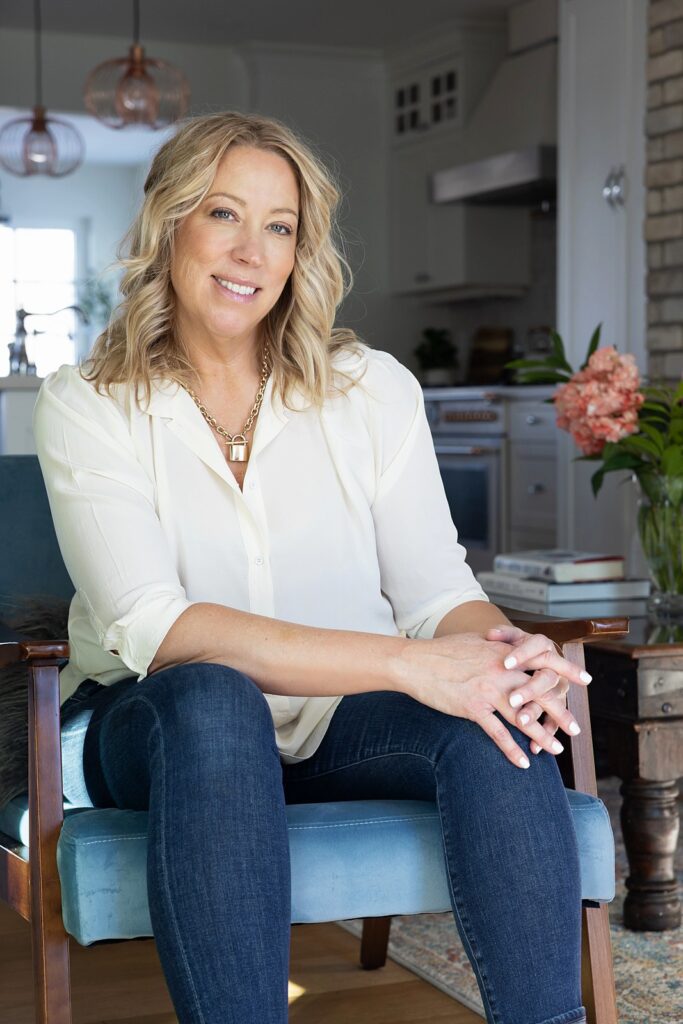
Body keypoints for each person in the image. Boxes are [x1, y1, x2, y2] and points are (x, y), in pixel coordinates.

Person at [33, 111, 590, 1024]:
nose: (250, 250)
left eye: (279, 225)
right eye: (222, 214)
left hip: (338, 725)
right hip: (159, 727)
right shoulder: (88, 403)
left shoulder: (370, 389)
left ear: (301, 249)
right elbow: (157, 629)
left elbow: (436, 591)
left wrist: (499, 652)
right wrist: (411, 665)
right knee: (214, 697)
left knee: (496, 713)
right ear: (170, 222)